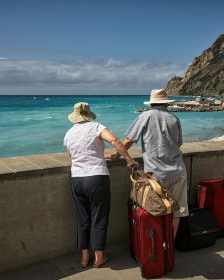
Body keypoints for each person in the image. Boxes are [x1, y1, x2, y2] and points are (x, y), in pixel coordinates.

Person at [64, 102, 138, 268]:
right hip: (96, 177)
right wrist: (129, 160)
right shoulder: (96, 127)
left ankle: (84, 258)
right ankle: (99, 258)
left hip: (77, 178)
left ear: (75, 116)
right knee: (99, 218)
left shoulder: (69, 133)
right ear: (88, 114)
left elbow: (72, 155)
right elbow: (115, 140)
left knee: (83, 220)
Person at [107, 89, 189, 239]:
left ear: (151, 102)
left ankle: (156, 248)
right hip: (178, 171)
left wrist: (117, 154)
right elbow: (179, 143)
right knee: (176, 212)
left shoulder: (145, 116)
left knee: (155, 211)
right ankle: (169, 248)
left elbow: (128, 140)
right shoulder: (174, 118)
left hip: (156, 175)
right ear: (166, 103)